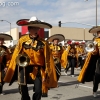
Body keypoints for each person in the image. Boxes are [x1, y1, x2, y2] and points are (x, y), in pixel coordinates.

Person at [4, 16, 57, 100]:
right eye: (34, 28)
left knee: (39, 91)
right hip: (23, 68)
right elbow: (16, 54)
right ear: (29, 29)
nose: (36, 30)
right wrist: (11, 66)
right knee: (23, 90)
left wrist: (47, 72)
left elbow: (48, 58)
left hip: (38, 69)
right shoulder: (22, 40)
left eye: (38, 29)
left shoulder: (43, 42)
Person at [77, 26, 100, 98]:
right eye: (99, 33)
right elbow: (93, 51)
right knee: (97, 75)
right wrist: (95, 51)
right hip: (98, 59)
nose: (99, 34)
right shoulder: (95, 40)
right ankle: (95, 90)